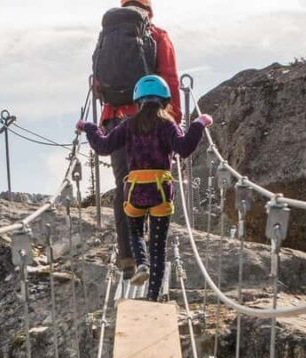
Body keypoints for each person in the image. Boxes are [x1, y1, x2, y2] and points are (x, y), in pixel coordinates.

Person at [77, 75, 212, 300]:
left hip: (135, 192)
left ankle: (141, 264)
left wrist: (89, 128)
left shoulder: (128, 125)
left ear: (138, 102)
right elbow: (185, 147)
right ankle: (153, 296)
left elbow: (103, 146)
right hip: (160, 192)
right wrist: (199, 123)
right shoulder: (167, 124)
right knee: (158, 247)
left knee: (136, 232)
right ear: (165, 101)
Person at [93, 0, 182, 279]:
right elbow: (170, 78)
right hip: (152, 119)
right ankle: (153, 258)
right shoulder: (156, 35)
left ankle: (129, 258)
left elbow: (97, 81)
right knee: (155, 179)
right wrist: (174, 119)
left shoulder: (107, 34)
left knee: (124, 186)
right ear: (148, 8)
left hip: (115, 118)